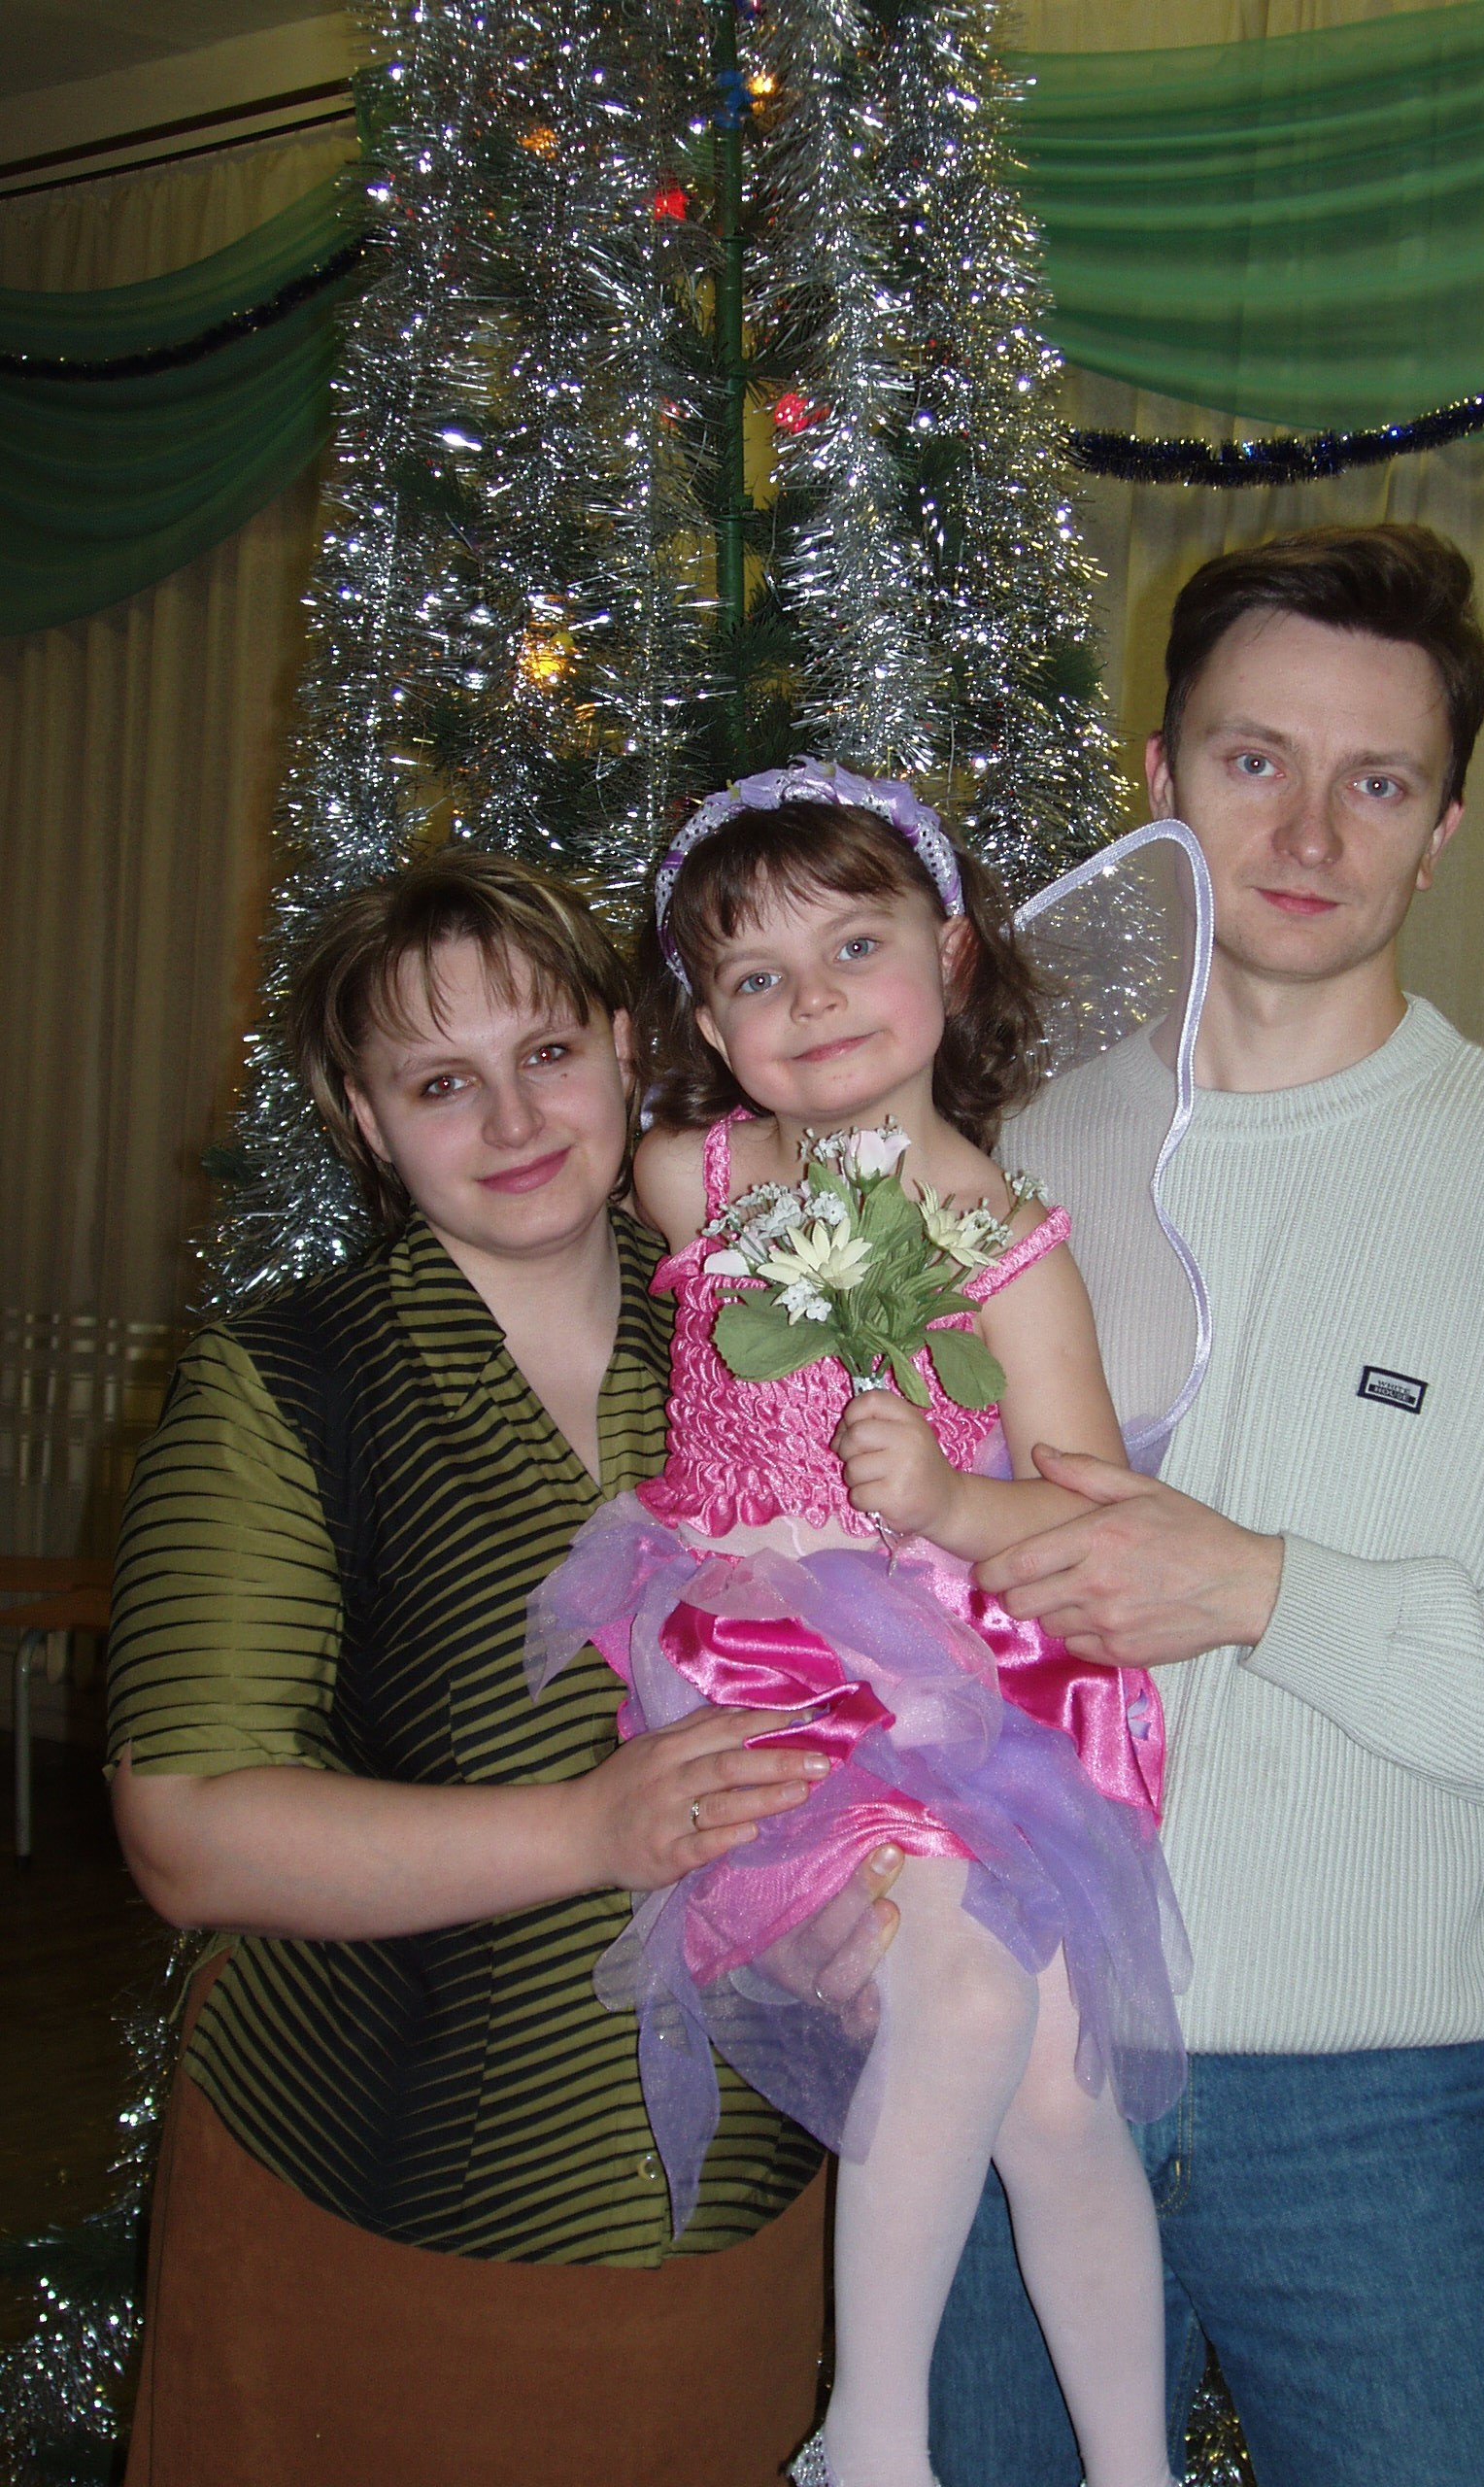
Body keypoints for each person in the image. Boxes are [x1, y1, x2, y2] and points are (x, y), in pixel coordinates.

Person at [928, 524, 1484, 2487]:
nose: (1307, 830)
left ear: (1443, 827)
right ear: (1159, 774)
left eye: (1376, 782)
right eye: (1253, 760)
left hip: (1372, 2109)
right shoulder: (992, 1162)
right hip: (998, 2048)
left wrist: (1263, 1589)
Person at [107, 850, 904, 2487]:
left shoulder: (771, 1342)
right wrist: (587, 1832)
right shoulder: (284, 1387)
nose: (515, 1118)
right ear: (363, 1118)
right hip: (387, 2218)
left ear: (621, 1046)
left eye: (545, 1052)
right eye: (440, 1083)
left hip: (747, 2219)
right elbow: (185, 1833)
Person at [534, 762, 1189, 2487]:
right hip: (767, 1671)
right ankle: (876, 2444)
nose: (812, 1001)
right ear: (706, 1022)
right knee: (969, 2018)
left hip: (972, 1686)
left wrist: (954, 1503)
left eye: (854, 947)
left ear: (951, 958)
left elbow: (1091, 1511)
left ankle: (1127, 2467)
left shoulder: (1004, 1244)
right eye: (755, 976)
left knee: (1060, 2100)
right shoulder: (691, 1179)